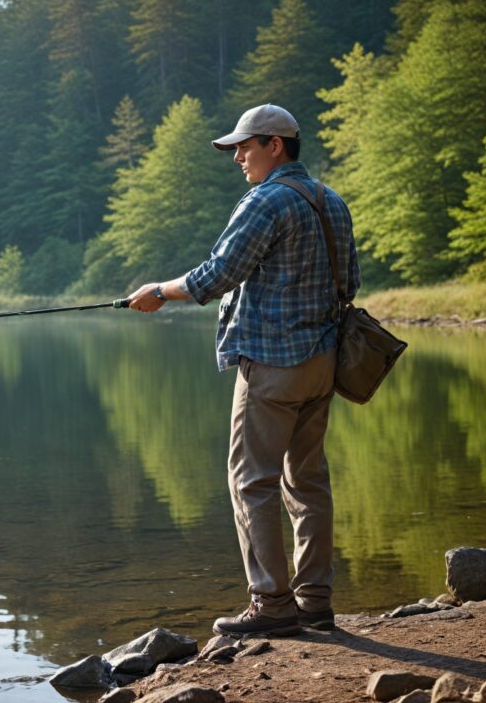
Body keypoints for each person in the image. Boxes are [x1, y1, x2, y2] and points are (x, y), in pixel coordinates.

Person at [126, 103, 360, 636]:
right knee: (308, 481)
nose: (237, 156)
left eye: (245, 146)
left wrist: (158, 291)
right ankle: (315, 600)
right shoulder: (332, 201)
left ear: (275, 145)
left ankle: (272, 606)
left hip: (272, 365)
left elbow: (217, 275)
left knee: (252, 482)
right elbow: (352, 280)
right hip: (323, 364)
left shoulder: (265, 201)